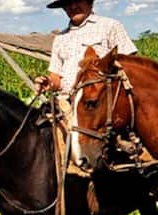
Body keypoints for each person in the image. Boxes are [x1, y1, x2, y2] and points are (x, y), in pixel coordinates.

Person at [34, 0, 138, 171]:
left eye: (77, 1)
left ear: (89, 2)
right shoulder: (60, 38)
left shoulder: (110, 26)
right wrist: (48, 82)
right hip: (69, 102)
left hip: (101, 101)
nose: (72, 6)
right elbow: (56, 77)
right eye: (67, 4)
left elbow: (131, 63)